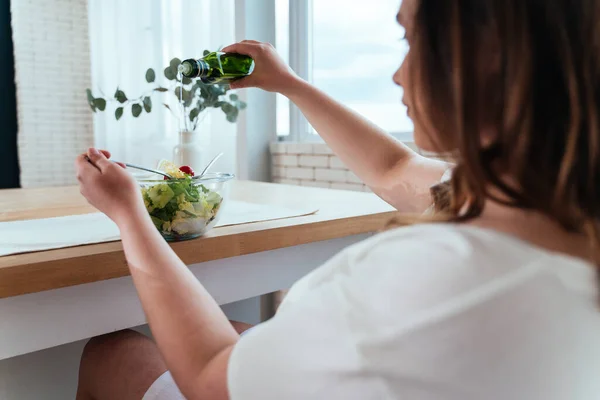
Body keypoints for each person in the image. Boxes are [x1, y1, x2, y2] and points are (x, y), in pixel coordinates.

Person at [74, 0, 600, 398]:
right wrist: (288, 84)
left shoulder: (434, 270)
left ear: (490, 59)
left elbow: (211, 375)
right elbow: (394, 169)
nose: (398, 73)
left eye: (412, 40)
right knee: (239, 328)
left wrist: (128, 212)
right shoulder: (551, 209)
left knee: (109, 351)